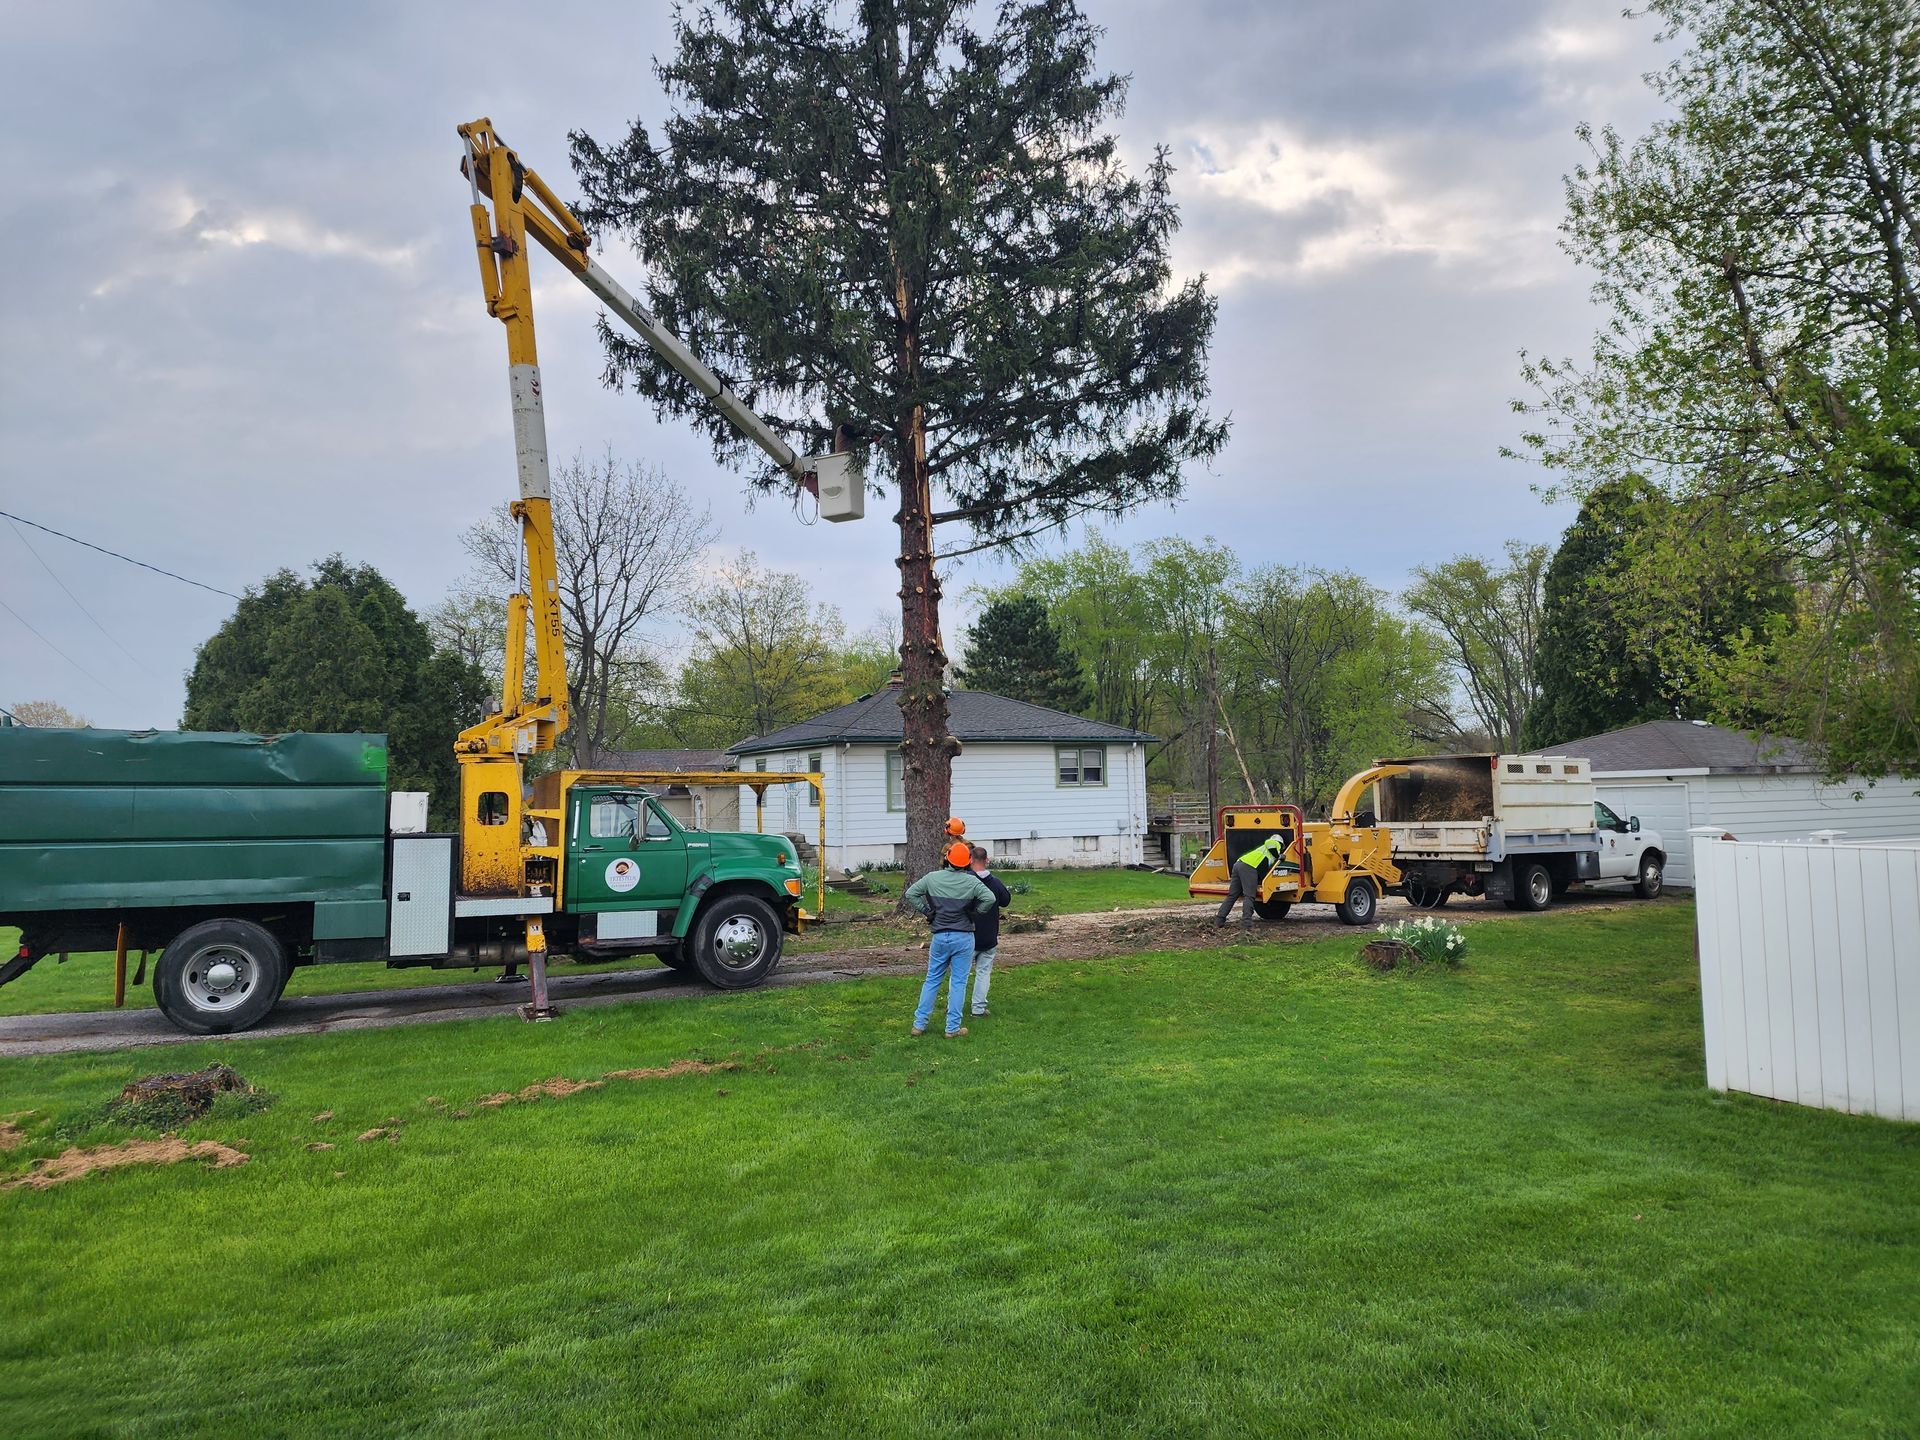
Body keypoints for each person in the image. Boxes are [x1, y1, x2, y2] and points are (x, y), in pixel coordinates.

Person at [905, 840, 998, 1038]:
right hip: (963, 937)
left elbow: (911, 893)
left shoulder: (932, 878)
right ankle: (952, 1028)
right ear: (967, 862)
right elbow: (990, 898)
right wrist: (976, 912)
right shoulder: (972, 882)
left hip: (939, 936)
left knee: (931, 980)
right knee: (958, 983)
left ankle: (918, 1025)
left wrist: (927, 911)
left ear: (947, 859)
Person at [967, 843, 1013, 1018]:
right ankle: (978, 1008)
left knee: (960, 974)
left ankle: (953, 1006)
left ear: (970, 860)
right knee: (983, 972)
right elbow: (1006, 900)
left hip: (967, 934)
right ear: (987, 860)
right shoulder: (994, 882)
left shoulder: (965, 881)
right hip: (988, 935)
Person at [1216, 831, 1290, 931]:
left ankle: (1219, 921)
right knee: (1249, 896)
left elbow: (1263, 869)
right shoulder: (1274, 843)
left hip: (1238, 865)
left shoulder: (1262, 852)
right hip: (1249, 867)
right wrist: (1279, 856)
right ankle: (1247, 924)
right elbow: (1271, 844)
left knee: (1232, 896)